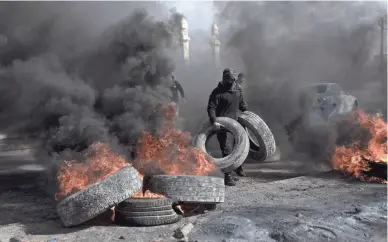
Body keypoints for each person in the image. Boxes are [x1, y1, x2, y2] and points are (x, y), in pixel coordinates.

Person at [207, 68, 248, 186]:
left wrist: (247, 112)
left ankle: (239, 167)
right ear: (224, 78)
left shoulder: (238, 91)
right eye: (227, 78)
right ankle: (228, 175)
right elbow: (211, 107)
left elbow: (242, 105)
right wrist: (214, 121)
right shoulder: (217, 92)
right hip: (222, 124)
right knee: (226, 148)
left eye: (231, 79)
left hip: (236, 123)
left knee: (239, 146)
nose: (229, 81)